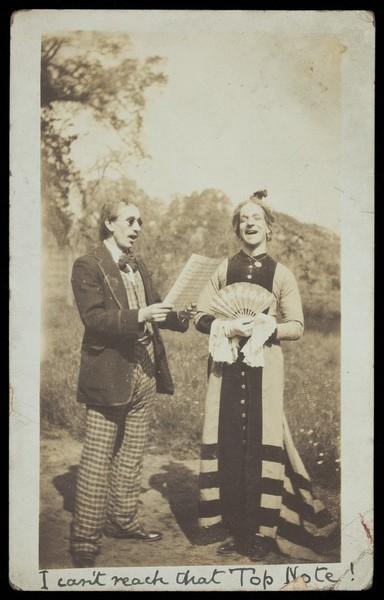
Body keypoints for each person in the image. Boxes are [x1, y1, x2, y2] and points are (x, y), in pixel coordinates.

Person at [194, 190, 339, 562]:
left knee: (259, 447)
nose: (250, 223)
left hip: (264, 374)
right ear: (236, 228)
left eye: (257, 218)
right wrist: (224, 325)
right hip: (226, 372)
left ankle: (261, 532)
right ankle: (228, 523)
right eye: (243, 219)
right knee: (228, 442)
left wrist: (266, 325)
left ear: (270, 228)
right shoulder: (223, 270)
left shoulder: (282, 274)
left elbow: (298, 326)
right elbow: (199, 315)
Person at [69, 197, 196, 568]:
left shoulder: (139, 264)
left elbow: (158, 309)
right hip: (109, 371)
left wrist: (180, 315)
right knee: (97, 456)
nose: (137, 227)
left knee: (133, 452)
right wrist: (141, 313)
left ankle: (122, 521)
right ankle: (84, 540)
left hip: (145, 368)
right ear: (109, 224)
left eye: (140, 221)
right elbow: (94, 319)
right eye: (130, 221)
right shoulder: (87, 264)